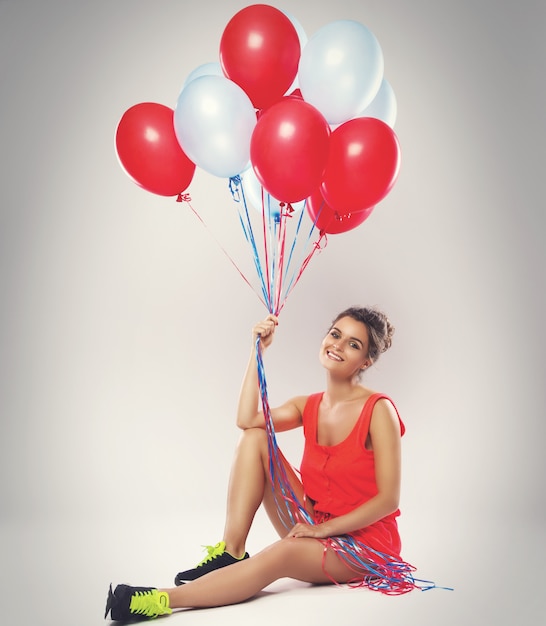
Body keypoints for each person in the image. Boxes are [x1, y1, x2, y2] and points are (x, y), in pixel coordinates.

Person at [105, 306, 416, 621]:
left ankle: (160, 600)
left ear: (366, 361)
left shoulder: (379, 410)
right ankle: (231, 551)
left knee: (283, 552)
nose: (337, 345)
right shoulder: (307, 405)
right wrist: (258, 352)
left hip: (363, 543)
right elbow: (246, 420)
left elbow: (388, 500)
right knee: (255, 437)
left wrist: (323, 530)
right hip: (315, 520)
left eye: (353, 343)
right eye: (335, 334)